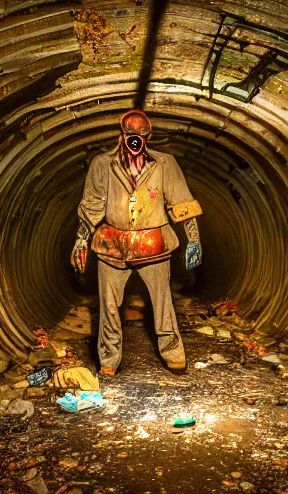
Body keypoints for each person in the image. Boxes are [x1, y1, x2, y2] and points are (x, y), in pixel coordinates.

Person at [71, 109, 202, 376]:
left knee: (163, 301)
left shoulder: (164, 164)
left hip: (154, 243)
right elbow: (91, 206)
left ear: (148, 135)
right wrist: (81, 240)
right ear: (122, 134)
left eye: (140, 135)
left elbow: (182, 202)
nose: (135, 140)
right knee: (108, 305)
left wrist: (194, 240)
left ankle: (172, 352)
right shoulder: (103, 164)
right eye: (131, 134)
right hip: (112, 244)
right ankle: (109, 358)